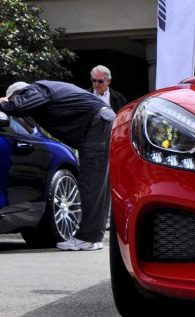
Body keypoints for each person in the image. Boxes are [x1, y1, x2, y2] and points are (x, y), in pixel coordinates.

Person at [0, 81, 115, 251]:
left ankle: (86, 238)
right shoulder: (44, 91)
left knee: (91, 183)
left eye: (16, 98)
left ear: (19, 93)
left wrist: (4, 102)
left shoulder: (36, 89)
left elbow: (17, 108)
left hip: (98, 124)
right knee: (98, 184)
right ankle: (93, 238)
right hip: (102, 122)